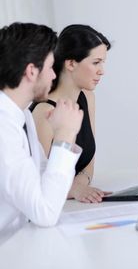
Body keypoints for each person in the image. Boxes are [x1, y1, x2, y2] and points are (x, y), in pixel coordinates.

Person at [0, 22, 83, 243]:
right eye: (50, 68)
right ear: (31, 71)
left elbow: (44, 178)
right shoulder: (3, 128)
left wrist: (63, 134)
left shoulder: (22, 115)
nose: (54, 76)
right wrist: (65, 134)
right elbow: (45, 213)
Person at [31, 25, 111, 203]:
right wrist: (74, 189)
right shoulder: (44, 113)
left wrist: (78, 187)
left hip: (72, 205)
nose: (102, 71)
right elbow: (38, 184)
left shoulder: (88, 98)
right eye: (96, 62)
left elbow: (88, 164)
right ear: (71, 63)